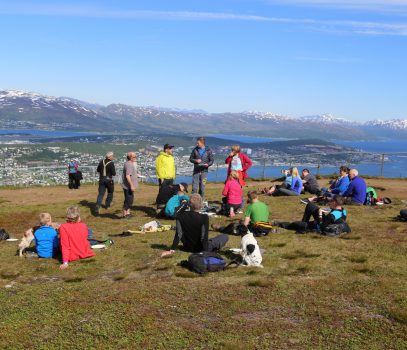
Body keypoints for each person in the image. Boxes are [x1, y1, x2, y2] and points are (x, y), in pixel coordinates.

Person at [161, 194, 228, 257]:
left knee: (211, 240)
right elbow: (203, 237)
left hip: (187, 247)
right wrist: (205, 252)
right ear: (201, 205)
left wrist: (172, 250)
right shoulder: (204, 217)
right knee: (224, 236)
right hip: (201, 248)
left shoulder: (180, 216)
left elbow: (179, 234)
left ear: (189, 204)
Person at [275, 195, 350, 235]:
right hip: (329, 222)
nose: (329, 202)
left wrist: (320, 215)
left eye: (330, 201)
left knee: (294, 224)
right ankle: (304, 222)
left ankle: (278, 224)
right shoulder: (343, 211)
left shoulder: (331, 216)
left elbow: (321, 227)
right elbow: (335, 214)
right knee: (310, 205)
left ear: (334, 203)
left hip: (318, 226)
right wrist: (324, 210)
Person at [121, 152, 139, 218]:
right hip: (128, 186)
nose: (135, 158)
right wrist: (131, 185)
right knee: (129, 200)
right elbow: (128, 176)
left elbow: (131, 174)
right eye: (134, 157)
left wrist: (137, 175)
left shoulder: (129, 163)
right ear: (130, 157)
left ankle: (128, 213)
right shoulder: (129, 164)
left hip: (128, 185)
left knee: (129, 199)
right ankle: (125, 214)